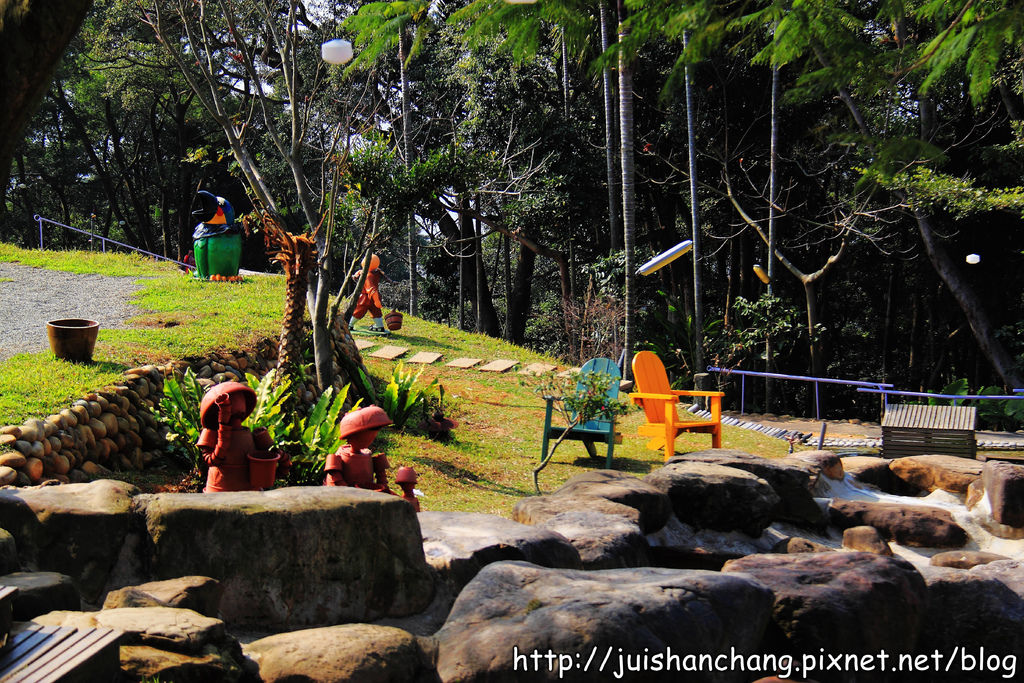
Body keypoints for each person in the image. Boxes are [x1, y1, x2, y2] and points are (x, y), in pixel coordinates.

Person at [197, 381, 289, 492]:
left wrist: (278, 458)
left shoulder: (252, 435)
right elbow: (212, 460)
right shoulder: (212, 433)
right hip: (219, 491)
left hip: (250, 494)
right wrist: (223, 425)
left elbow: (274, 456)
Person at [324, 406, 393, 490]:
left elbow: (382, 477)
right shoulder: (338, 456)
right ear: (350, 437)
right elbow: (335, 478)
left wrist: (382, 488)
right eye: (363, 437)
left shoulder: (367, 455)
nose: (370, 439)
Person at [348, 254, 393, 332]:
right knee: (376, 312)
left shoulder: (368, 275)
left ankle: (350, 325)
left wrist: (376, 300)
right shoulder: (376, 272)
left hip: (366, 297)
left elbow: (372, 289)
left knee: (359, 310)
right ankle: (379, 326)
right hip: (373, 297)